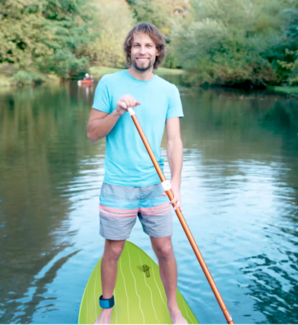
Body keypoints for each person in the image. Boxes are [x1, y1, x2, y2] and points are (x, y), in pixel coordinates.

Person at [87, 22, 187, 325]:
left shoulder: (169, 90)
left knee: (165, 248)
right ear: (129, 49)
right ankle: (107, 308)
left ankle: (173, 308)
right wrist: (117, 112)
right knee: (114, 249)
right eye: (136, 45)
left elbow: (174, 142)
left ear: (158, 52)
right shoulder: (109, 83)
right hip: (118, 185)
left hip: (156, 184)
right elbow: (92, 133)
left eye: (149, 46)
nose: (142, 51)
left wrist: (176, 184)